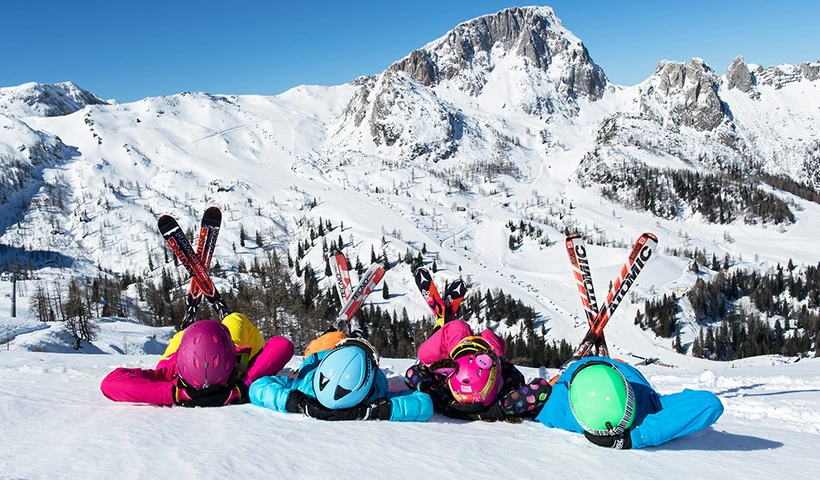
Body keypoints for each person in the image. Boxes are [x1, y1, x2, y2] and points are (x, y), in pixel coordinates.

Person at [100, 312, 294, 407]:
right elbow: (282, 346)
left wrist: (177, 395)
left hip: (189, 349)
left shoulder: (168, 374)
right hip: (218, 346)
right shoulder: (170, 371)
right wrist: (241, 387)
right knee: (235, 319)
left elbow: (112, 383)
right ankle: (214, 323)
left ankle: (198, 328)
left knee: (188, 333)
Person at [536, 356, 724, 449]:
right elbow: (708, 403)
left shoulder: (555, 411)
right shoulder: (652, 405)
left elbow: (710, 404)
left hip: (606, 368)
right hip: (615, 366)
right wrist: (636, 437)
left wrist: (634, 437)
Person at [249, 330, 433, 422]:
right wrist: (377, 410)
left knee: (333, 338)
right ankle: (356, 339)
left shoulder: (305, 388)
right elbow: (422, 403)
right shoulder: (375, 393)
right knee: (339, 340)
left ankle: (350, 339)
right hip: (328, 355)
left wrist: (296, 402)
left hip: (326, 354)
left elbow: (259, 387)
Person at [405, 320, 551, 421]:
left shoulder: (444, 399)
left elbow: (413, 373)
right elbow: (542, 389)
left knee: (458, 327)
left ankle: (444, 337)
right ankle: (457, 341)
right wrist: (498, 409)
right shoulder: (504, 402)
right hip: (493, 359)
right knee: (488, 335)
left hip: (463, 356)